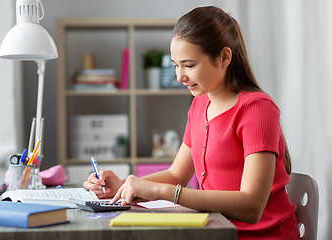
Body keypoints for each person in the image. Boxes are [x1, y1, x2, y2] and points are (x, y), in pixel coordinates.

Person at [83, 6, 300, 240]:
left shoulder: (257, 109)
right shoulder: (199, 106)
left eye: (189, 65)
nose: (179, 76)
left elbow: (251, 206)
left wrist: (163, 191)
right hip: (216, 231)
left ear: (225, 57)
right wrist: (123, 186)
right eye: (176, 65)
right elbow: (176, 175)